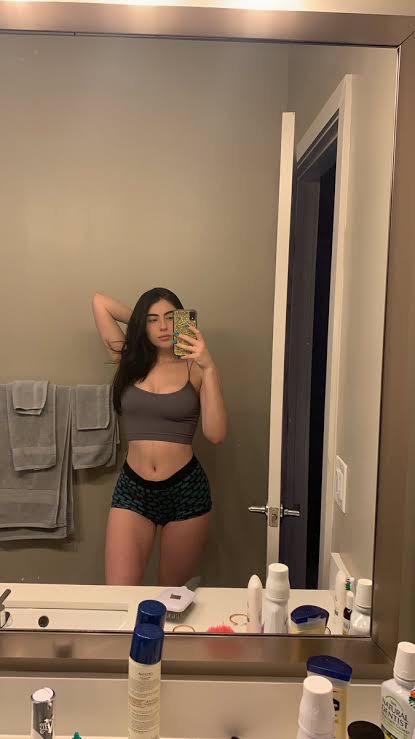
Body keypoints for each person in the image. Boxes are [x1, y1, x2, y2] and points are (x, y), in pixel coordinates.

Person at [92, 287, 227, 586]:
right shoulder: (129, 361)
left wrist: (209, 367)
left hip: (186, 491)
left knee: (170, 598)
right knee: (119, 595)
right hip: (133, 490)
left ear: (182, 320)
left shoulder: (196, 368)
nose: (163, 326)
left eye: (170, 318)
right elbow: (100, 303)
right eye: (153, 320)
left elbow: (216, 434)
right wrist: (141, 322)